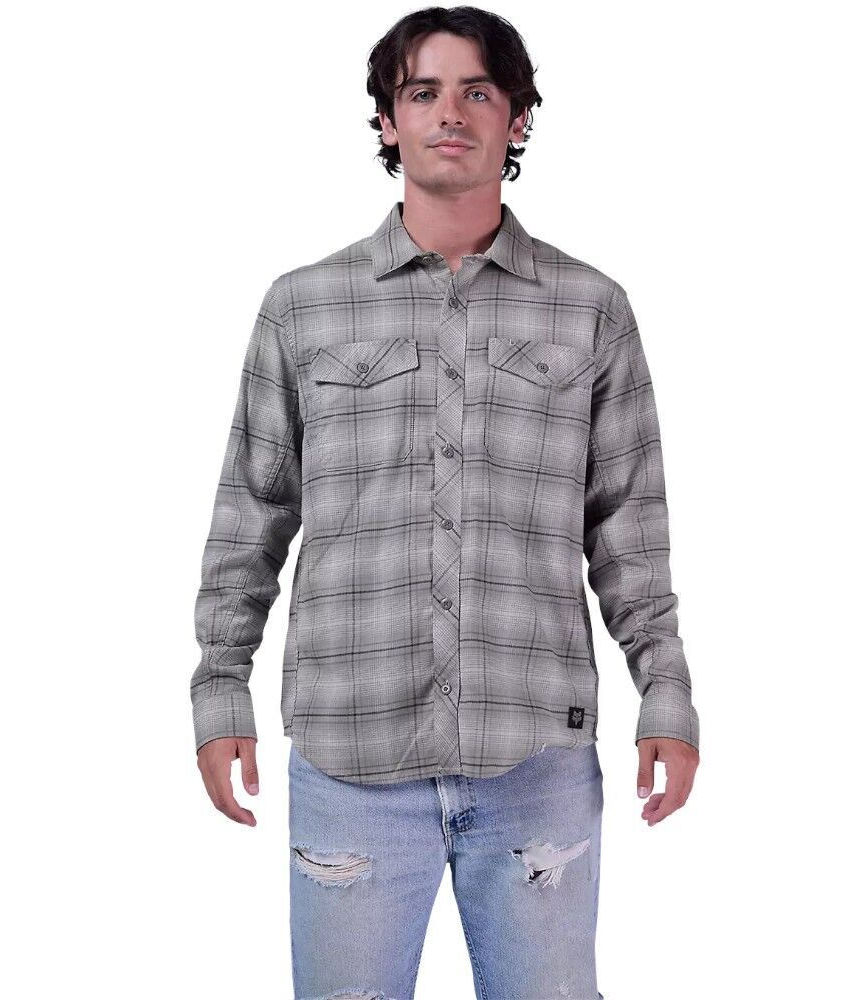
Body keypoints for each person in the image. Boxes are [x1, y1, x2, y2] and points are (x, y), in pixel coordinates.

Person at [190, 7, 699, 998]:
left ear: (517, 119)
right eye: (422, 92)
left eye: (478, 92)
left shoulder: (590, 309)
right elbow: (249, 517)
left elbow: (630, 531)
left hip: (536, 764)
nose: (449, 114)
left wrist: (666, 695)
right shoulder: (302, 306)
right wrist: (220, 689)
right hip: (349, 757)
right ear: (388, 120)